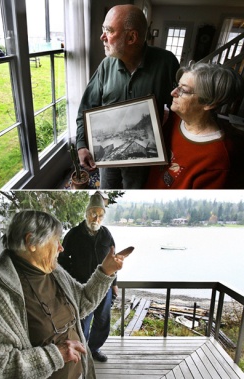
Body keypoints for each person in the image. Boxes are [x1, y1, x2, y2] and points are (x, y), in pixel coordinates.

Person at [0, 210, 127, 379]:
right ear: (31, 242)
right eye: (56, 240)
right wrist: (54, 356)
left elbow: (82, 304)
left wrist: (106, 271)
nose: (61, 248)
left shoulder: (54, 272)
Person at [76, 4, 179, 189]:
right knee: (107, 192)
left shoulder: (167, 63)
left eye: (109, 30)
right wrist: (82, 144)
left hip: (145, 156)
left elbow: (179, 110)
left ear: (131, 37)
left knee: (135, 193)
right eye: (103, 30)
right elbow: (86, 107)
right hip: (108, 156)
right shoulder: (106, 66)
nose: (102, 37)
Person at [144, 62, 244, 189]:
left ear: (209, 103)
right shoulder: (176, 118)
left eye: (183, 90)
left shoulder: (217, 158)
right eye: (177, 86)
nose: (173, 92)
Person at [58, 192, 116, 363]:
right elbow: (62, 260)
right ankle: (82, 350)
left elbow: (113, 260)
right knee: (82, 321)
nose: (96, 218)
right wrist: (69, 281)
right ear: (87, 212)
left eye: (100, 215)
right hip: (81, 287)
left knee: (103, 320)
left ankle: (94, 349)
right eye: (93, 213)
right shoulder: (74, 234)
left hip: (104, 287)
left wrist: (114, 284)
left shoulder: (106, 234)